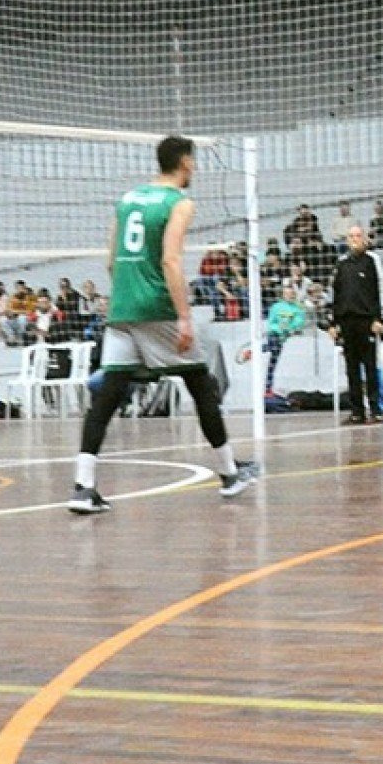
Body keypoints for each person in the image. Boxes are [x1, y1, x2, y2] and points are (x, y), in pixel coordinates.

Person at [69, 136, 259, 514]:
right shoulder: (180, 203)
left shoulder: (127, 200)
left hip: (121, 306)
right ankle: (228, 474)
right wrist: (184, 316)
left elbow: (110, 260)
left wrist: (127, 294)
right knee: (201, 384)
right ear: (185, 162)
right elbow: (171, 261)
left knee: (106, 397)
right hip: (157, 308)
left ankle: (83, 486)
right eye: (195, 161)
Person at [328, 224, 383, 424]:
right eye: (351, 236)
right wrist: (333, 323)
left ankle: (376, 409)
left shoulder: (373, 261)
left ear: (365, 238)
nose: (355, 239)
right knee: (351, 368)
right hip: (346, 322)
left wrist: (380, 319)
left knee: (370, 366)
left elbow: (381, 289)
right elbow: (336, 294)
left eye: (358, 235)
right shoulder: (341, 264)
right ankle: (357, 411)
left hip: (367, 322)